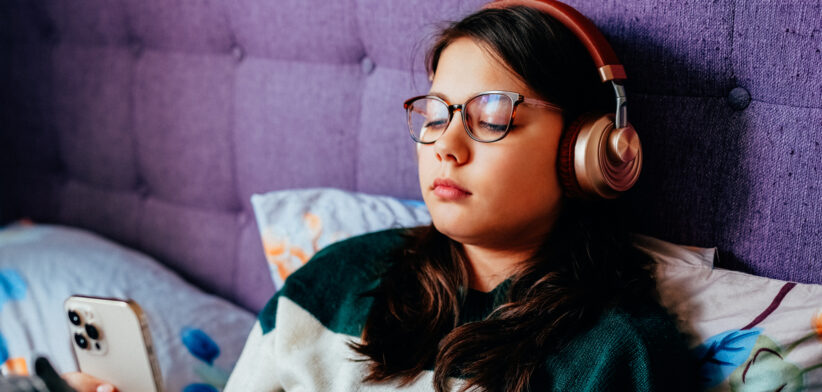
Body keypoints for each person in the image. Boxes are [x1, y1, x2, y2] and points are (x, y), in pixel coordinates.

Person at [66, 1, 700, 391]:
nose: (445, 145)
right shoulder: (335, 283)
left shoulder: (620, 354)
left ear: (589, 151)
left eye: (491, 114)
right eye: (436, 113)